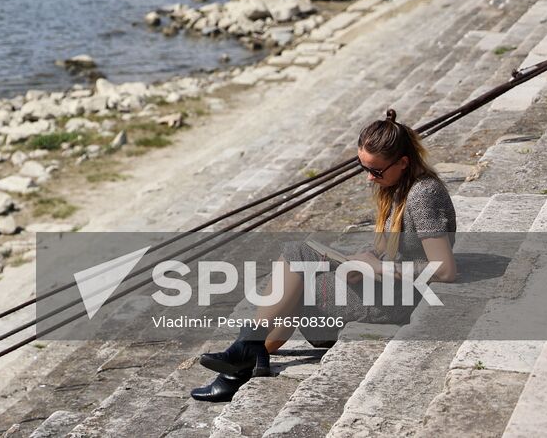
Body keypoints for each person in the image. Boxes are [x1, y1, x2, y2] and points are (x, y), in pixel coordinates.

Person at [190, 110, 457, 402]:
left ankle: (239, 366)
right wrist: (366, 260)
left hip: (401, 298)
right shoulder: (397, 186)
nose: (369, 177)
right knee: (297, 252)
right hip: (384, 281)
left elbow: (444, 270)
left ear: (403, 162)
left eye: (376, 171)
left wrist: (377, 267)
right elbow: (400, 250)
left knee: (295, 290)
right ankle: (247, 354)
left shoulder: (423, 194)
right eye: (363, 167)